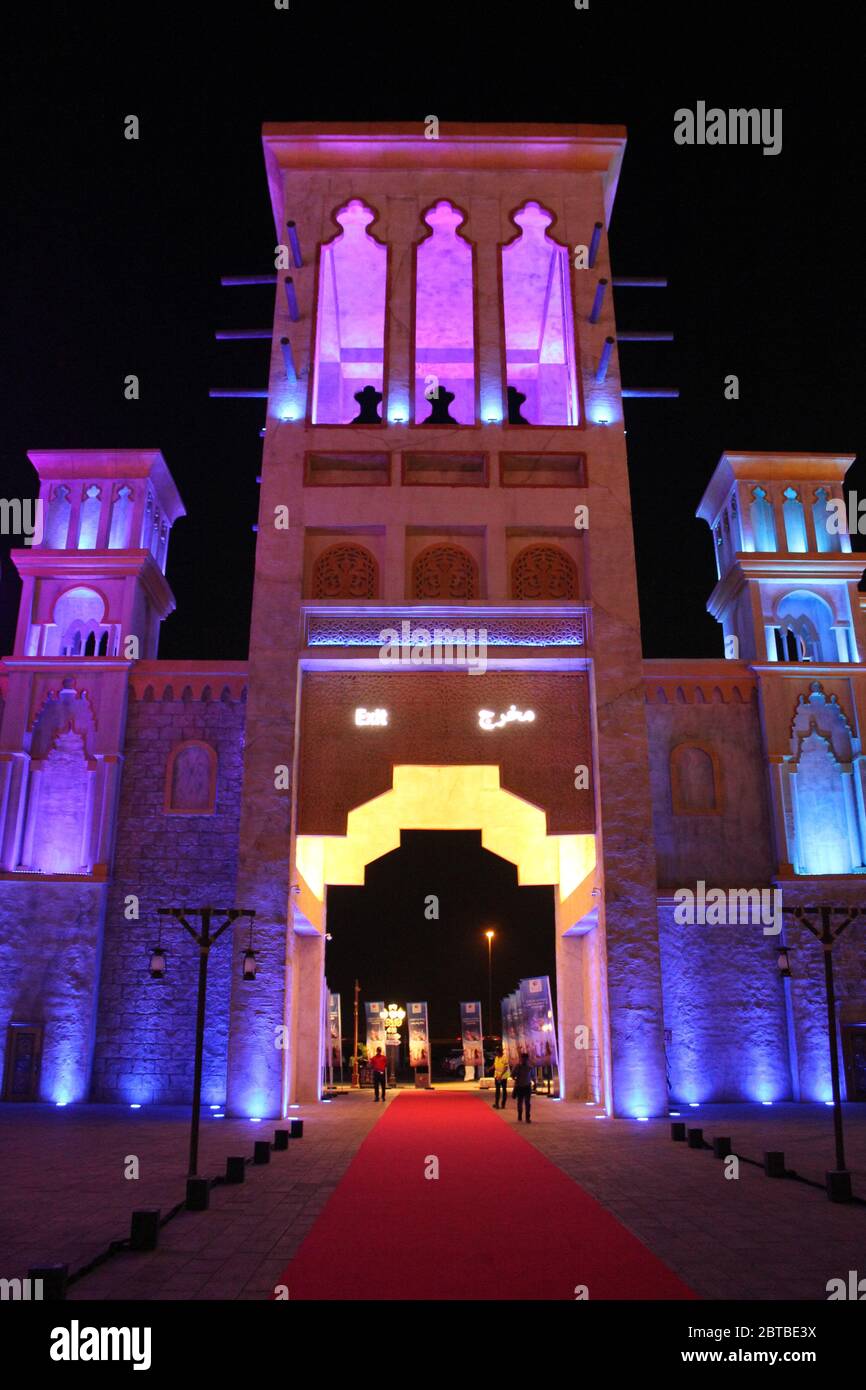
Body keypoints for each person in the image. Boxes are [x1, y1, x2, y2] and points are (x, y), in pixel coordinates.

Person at [512, 1051, 536, 1123]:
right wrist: (516, 1079)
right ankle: (519, 1115)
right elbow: (512, 1075)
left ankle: (527, 1117)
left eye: (525, 1059)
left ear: (527, 1059)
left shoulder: (530, 1067)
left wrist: (535, 1083)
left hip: (527, 1086)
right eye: (523, 1058)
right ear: (521, 1059)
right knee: (520, 1102)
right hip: (519, 1086)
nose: (524, 1060)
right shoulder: (517, 1066)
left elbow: (533, 1076)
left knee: (527, 1102)